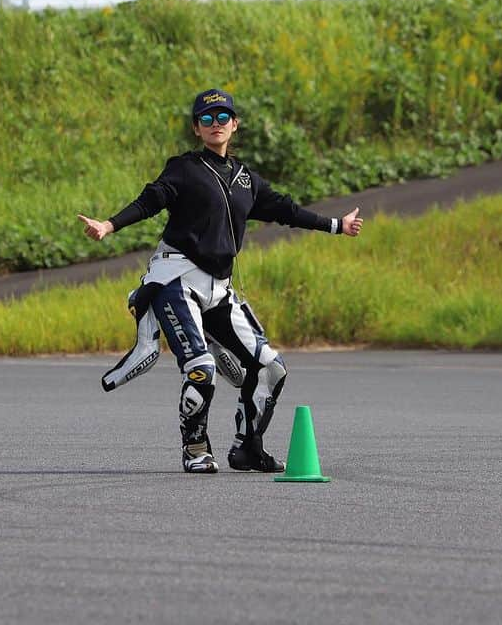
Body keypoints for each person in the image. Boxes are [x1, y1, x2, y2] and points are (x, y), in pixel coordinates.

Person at [78, 89, 363, 474]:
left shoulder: (246, 179)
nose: (216, 124)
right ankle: (195, 448)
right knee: (201, 366)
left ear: (235, 124)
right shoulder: (183, 168)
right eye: (207, 119)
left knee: (270, 368)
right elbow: (152, 199)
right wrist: (109, 225)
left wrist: (336, 225)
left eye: (223, 117)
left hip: (219, 289)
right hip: (176, 279)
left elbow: (285, 210)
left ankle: (247, 449)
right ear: (197, 128)